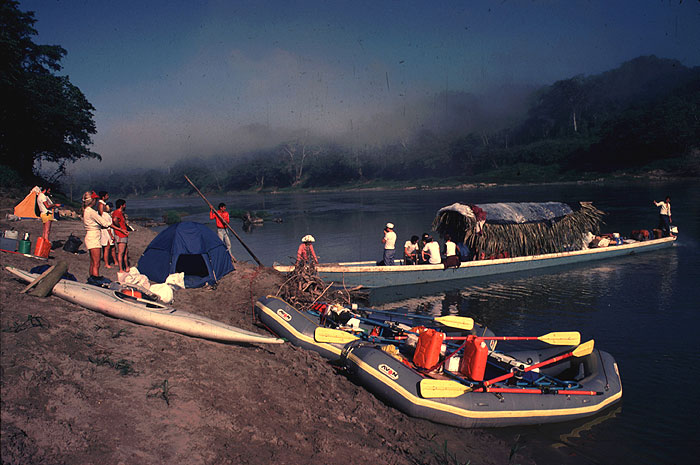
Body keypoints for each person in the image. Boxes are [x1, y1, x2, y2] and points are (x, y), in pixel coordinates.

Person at [82, 191, 112, 281]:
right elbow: (104, 223)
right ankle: (95, 280)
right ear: (92, 200)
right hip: (94, 237)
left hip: (90, 236)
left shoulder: (86, 210)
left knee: (92, 262)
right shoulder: (91, 212)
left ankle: (91, 278)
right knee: (96, 263)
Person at [111, 199, 130, 272]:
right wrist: (120, 228)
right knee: (121, 252)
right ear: (121, 205)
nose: (125, 206)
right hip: (120, 234)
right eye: (124, 205)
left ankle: (126, 267)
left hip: (123, 234)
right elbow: (115, 220)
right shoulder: (117, 212)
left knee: (125, 251)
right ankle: (121, 269)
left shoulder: (121, 213)